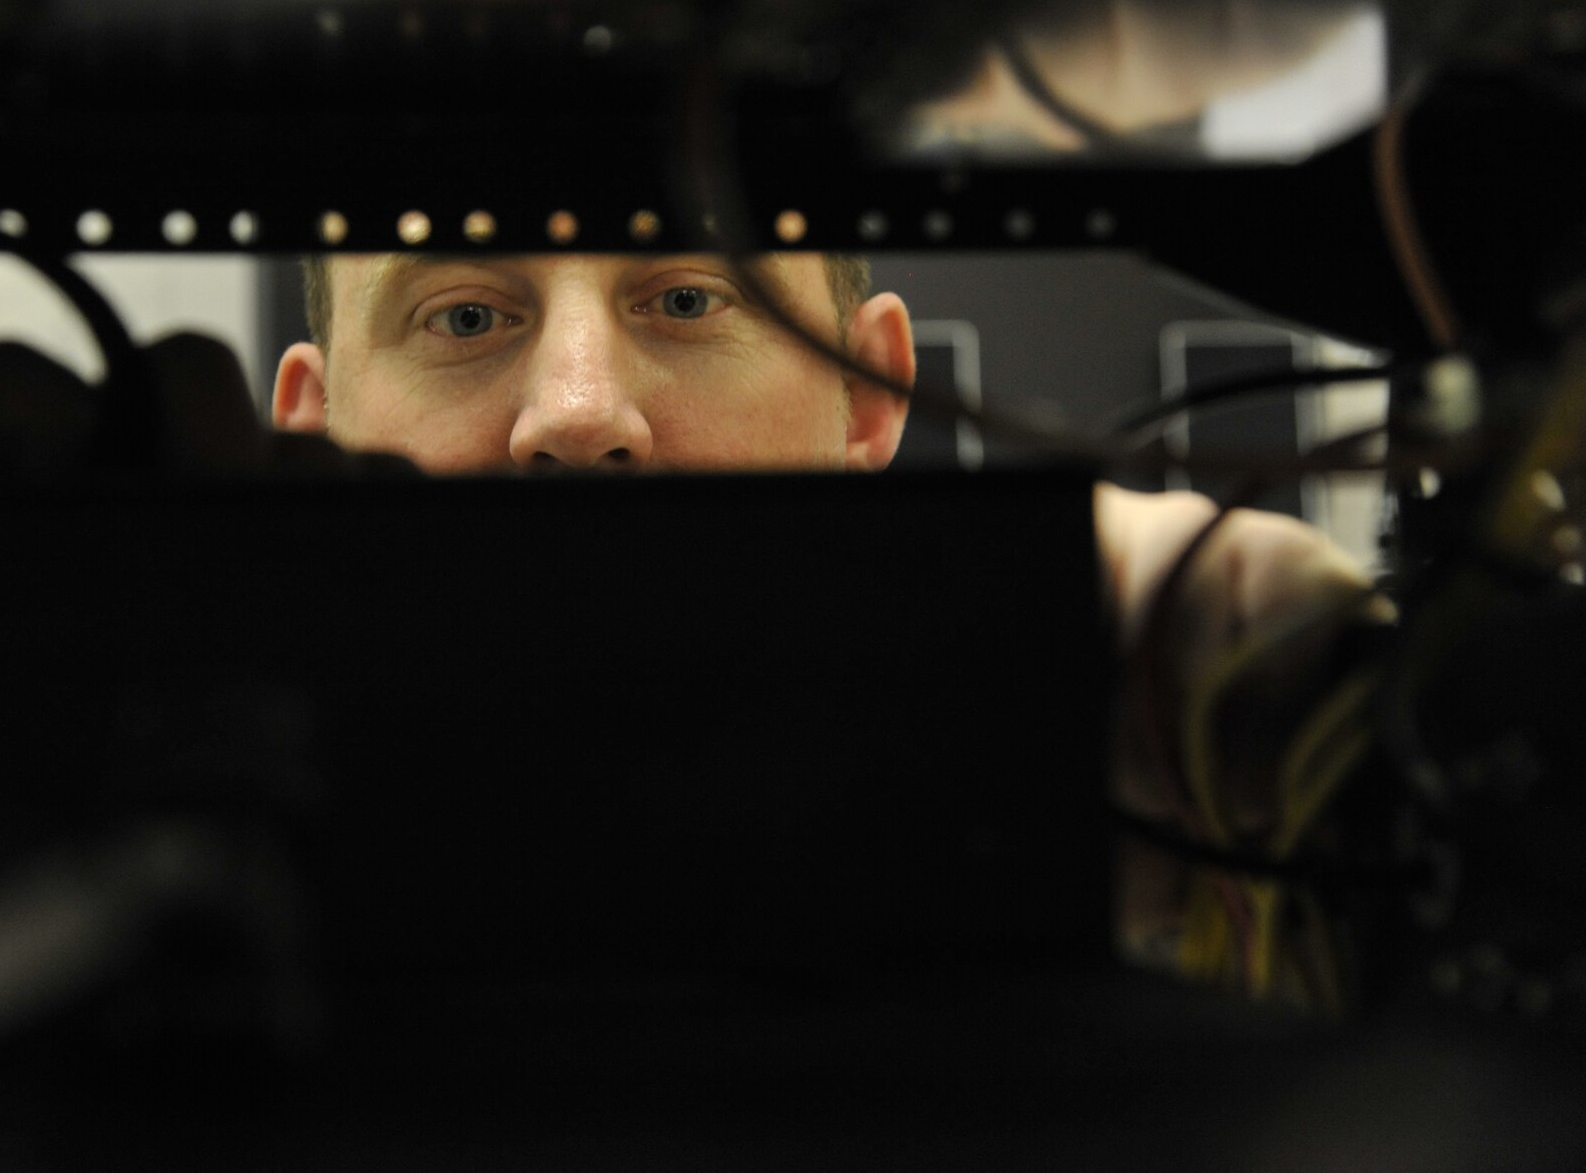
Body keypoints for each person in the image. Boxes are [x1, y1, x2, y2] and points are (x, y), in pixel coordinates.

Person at [267, 249, 1385, 971]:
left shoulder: (1165, 684)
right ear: (305, 431)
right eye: (463, 315)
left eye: (689, 299)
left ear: (869, 393)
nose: (577, 414)